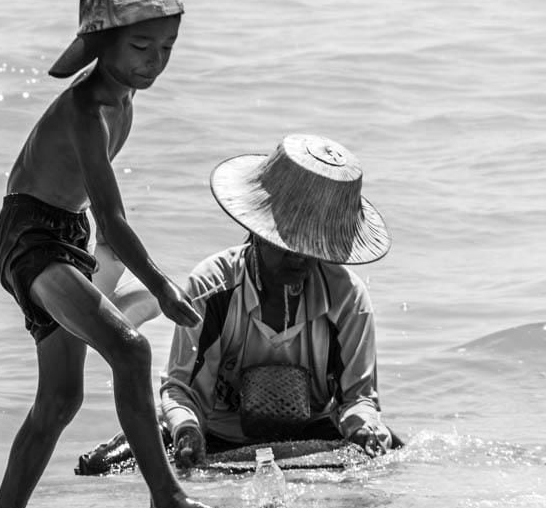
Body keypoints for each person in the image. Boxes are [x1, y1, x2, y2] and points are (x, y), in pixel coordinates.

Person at [0, 0, 234, 508]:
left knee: (62, 397)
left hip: (67, 234)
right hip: (32, 238)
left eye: (166, 47)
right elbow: (114, 216)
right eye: (141, 45)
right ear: (102, 44)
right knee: (130, 347)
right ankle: (166, 500)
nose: (154, 61)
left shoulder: (124, 101)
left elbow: (95, 215)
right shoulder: (88, 109)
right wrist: (162, 286)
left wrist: (104, 262)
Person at [160, 134, 402, 468]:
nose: (299, 258)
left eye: (311, 248)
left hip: (312, 438)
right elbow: (181, 389)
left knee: (386, 460)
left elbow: (357, 398)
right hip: (218, 438)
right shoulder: (212, 288)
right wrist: (186, 429)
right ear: (258, 232)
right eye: (287, 243)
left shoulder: (347, 298)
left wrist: (363, 428)